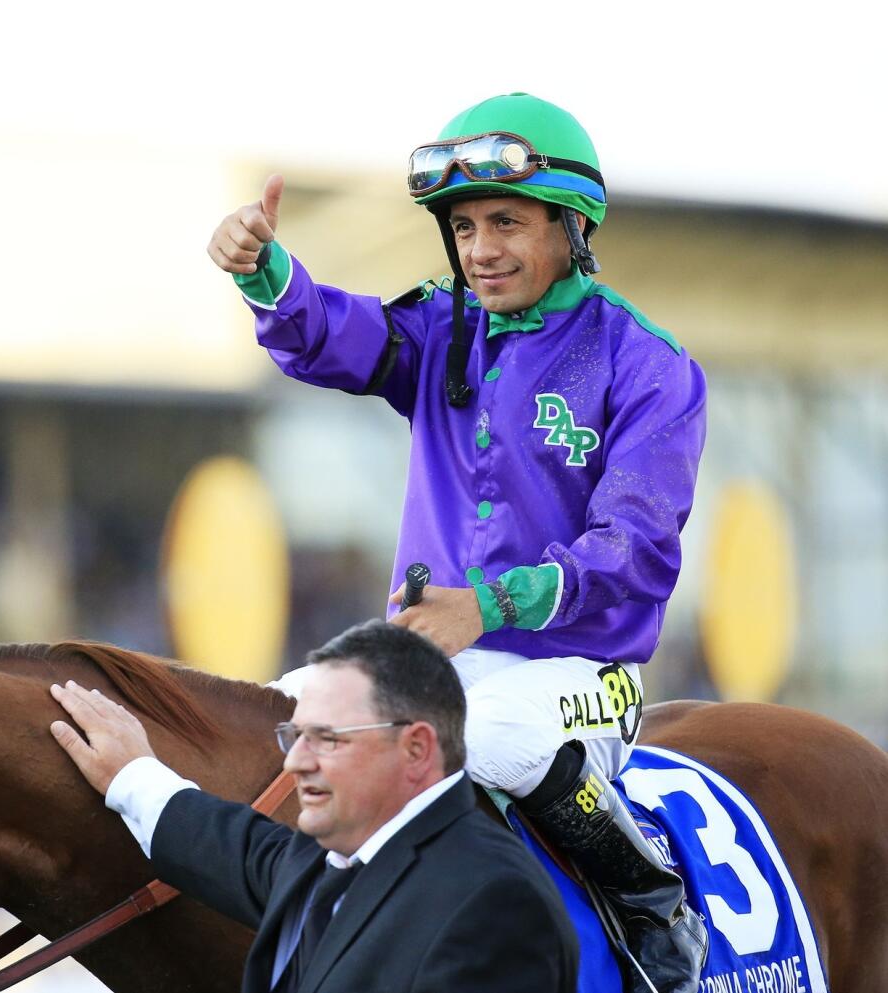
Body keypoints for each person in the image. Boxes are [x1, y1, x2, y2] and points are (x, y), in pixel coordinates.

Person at [206, 93, 708, 993]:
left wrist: (487, 606)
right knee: (279, 727)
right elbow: (333, 336)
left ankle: (647, 895)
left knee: (488, 741)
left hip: (581, 675)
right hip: (431, 658)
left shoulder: (647, 364)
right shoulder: (444, 326)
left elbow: (635, 547)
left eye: (507, 222)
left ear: (572, 226)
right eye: (466, 225)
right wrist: (266, 272)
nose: (482, 249)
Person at [49, 620, 577, 992]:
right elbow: (232, 847)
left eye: (326, 738)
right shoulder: (322, 858)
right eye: (295, 736)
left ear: (416, 749)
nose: (297, 761)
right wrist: (132, 774)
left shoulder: (494, 901)